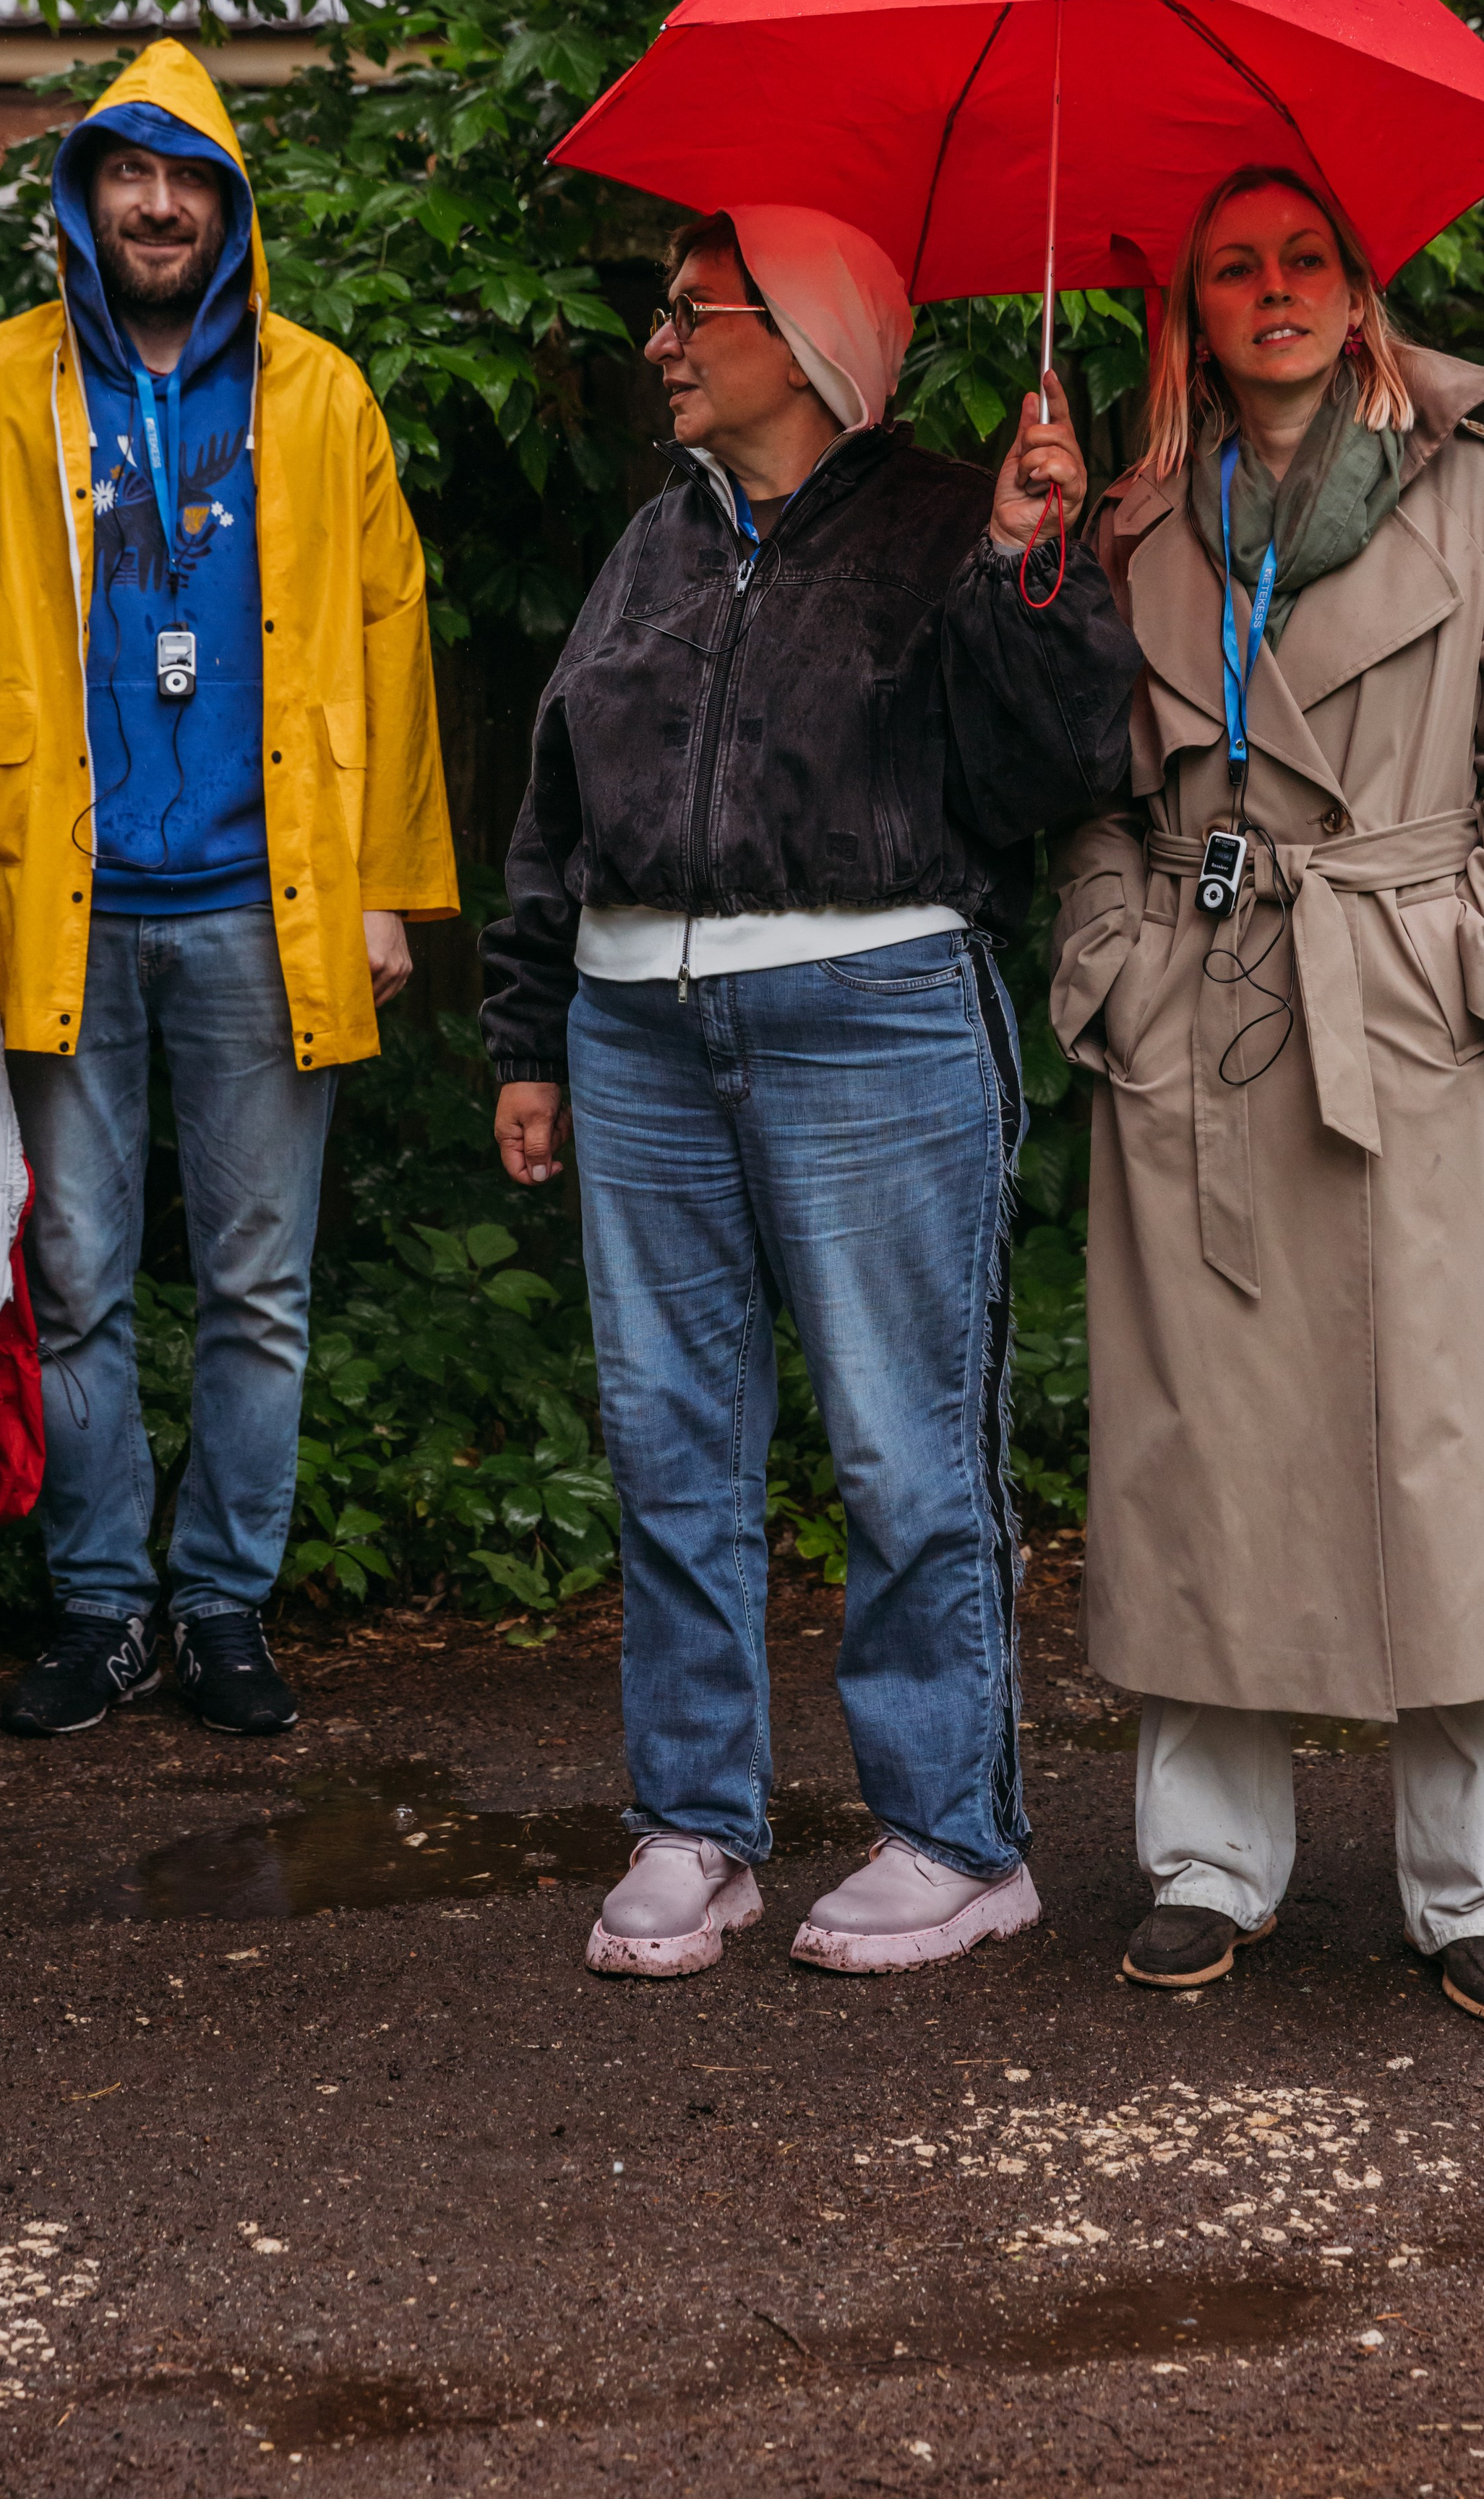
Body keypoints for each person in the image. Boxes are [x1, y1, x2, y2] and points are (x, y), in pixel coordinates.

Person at [981, 164, 1484, 2023]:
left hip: (1404, 1016)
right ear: (1187, 304)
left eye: (1304, 260)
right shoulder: (1127, 519)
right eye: (1233, 266)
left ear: (1357, 289)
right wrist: (1110, 957)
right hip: (1204, 1021)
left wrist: (1468, 959)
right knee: (1207, 1449)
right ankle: (1203, 1860)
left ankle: (1466, 1881)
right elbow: (1081, 784)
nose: (1273, 290)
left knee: (1448, 1446)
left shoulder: (1474, 494)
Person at [481, 204, 1135, 1976]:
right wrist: (528, 1032)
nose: (661, 342)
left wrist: (1023, 572)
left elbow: (1056, 768)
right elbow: (558, 795)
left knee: (899, 1444)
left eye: (693, 311)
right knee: (670, 1449)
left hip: (870, 1015)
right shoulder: (651, 545)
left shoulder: (950, 517)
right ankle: (696, 1827)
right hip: (637, 1039)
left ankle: (954, 1837)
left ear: (808, 337)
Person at [0, 38, 458, 1740]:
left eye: (189, 180)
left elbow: (390, 647)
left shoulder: (320, 395)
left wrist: (386, 884)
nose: (157, 205)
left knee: (258, 1287)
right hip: (51, 904)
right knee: (72, 1278)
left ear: (229, 210)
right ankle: (101, 1609)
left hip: (267, 901)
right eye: (126, 174)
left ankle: (225, 1603)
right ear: (82, 199)